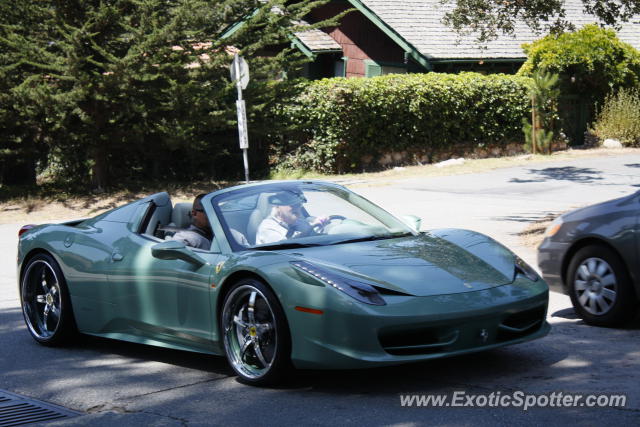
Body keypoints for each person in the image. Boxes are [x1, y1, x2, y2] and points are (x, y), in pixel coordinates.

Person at [255, 191, 328, 245]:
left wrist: (319, 224)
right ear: (277, 206)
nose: (297, 207)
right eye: (291, 203)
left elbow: (313, 234)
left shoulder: (297, 221)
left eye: (299, 203)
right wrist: (310, 228)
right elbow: (286, 247)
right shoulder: (267, 228)